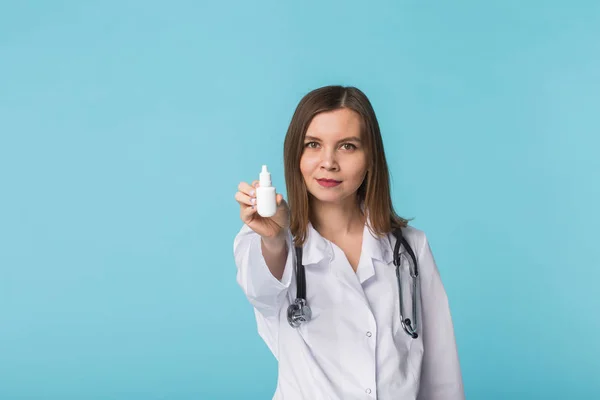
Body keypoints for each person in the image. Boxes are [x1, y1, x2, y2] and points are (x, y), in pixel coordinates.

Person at [233, 85, 465, 399]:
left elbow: (442, 377)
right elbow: (260, 290)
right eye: (313, 144)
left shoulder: (411, 249)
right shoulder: (270, 241)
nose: (328, 162)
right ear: (295, 155)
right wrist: (274, 240)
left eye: (347, 146)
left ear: (371, 158)